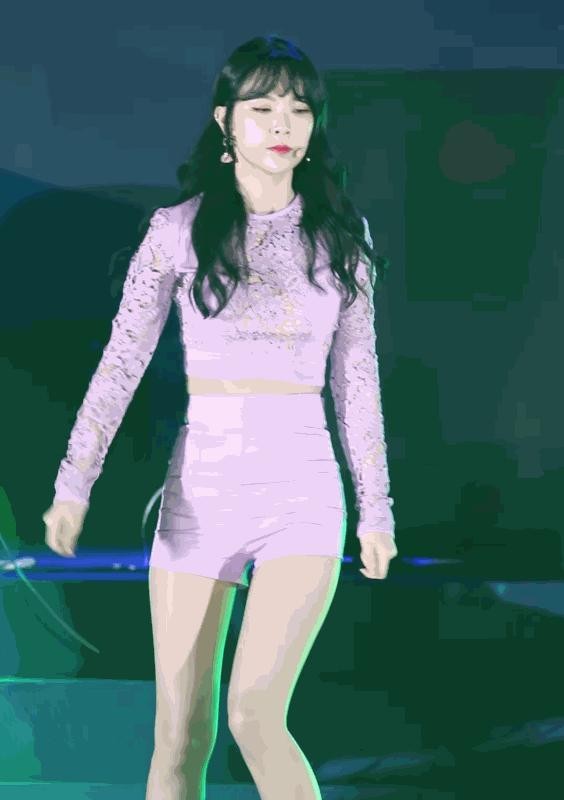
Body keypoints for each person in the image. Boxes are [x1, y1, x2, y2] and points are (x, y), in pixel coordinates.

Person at [43, 34, 398, 800]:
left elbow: (356, 381)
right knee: (179, 735)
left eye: (299, 109)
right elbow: (121, 364)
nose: (283, 123)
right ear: (224, 120)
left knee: (254, 714)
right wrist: (74, 483)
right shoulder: (177, 229)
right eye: (263, 106)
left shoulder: (341, 237)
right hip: (201, 494)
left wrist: (376, 510)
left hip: (303, 492)